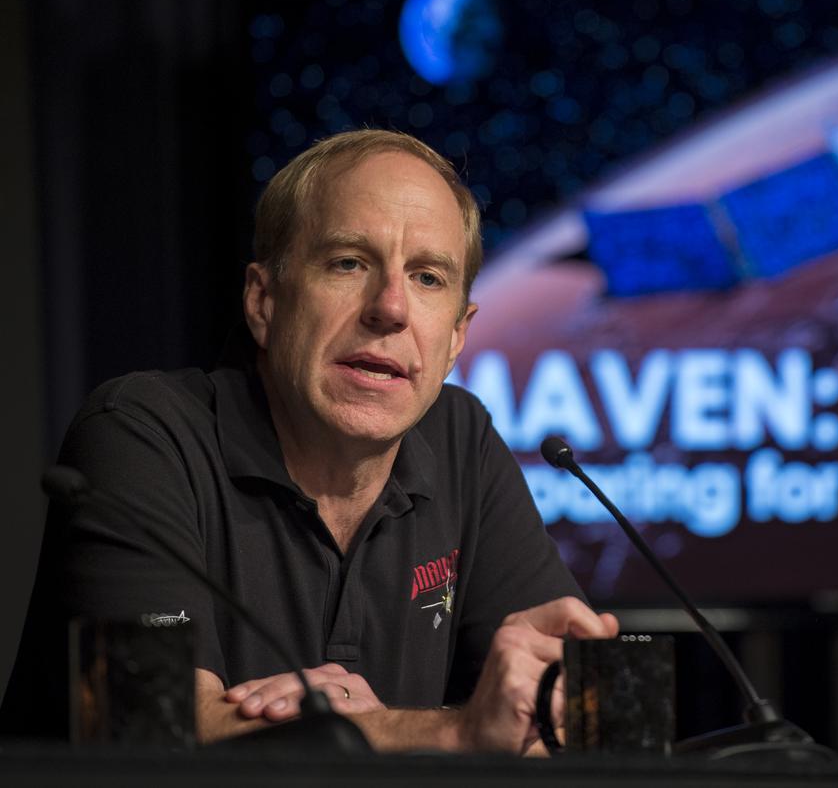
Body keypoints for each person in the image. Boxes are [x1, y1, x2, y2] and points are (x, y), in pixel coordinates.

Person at [2, 129, 618, 752]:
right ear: (263, 301)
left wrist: (375, 728)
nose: (391, 308)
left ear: (458, 335)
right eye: (348, 263)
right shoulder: (142, 434)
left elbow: (580, 713)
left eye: (428, 277)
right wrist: (450, 730)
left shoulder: (462, 439)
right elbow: (149, 724)